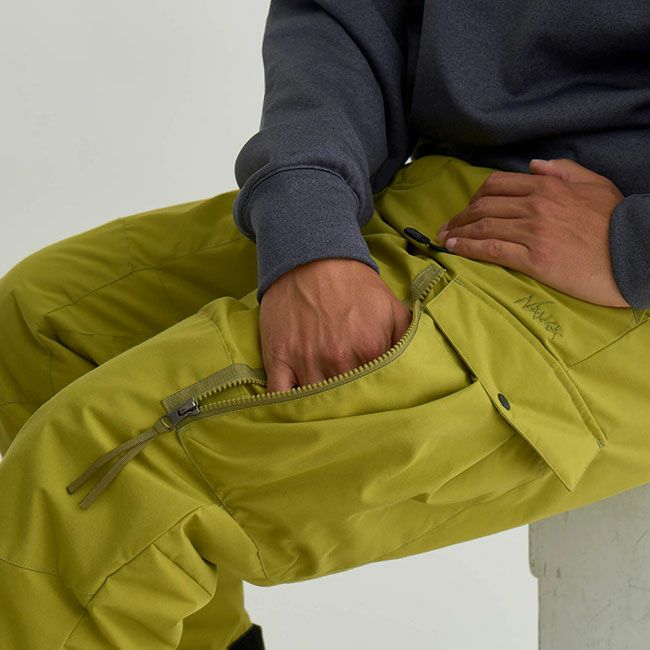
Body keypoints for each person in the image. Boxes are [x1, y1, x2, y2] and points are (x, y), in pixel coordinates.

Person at [0, 1, 648, 648]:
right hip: (457, 186)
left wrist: (631, 245)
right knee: (37, 325)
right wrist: (311, 222)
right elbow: (344, 15)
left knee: (100, 481)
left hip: (614, 277)